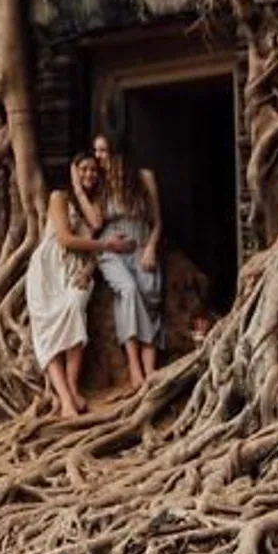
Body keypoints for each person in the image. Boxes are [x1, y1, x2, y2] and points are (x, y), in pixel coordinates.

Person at [25, 153, 135, 420]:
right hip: (48, 271)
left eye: (93, 171)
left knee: (75, 311)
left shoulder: (95, 205)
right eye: (83, 169)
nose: (89, 174)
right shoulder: (58, 197)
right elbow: (65, 239)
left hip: (78, 270)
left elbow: (96, 226)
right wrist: (107, 245)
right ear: (73, 170)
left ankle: (72, 388)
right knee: (47, 333)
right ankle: (66, 400)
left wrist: (89, 269)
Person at [89, 132, 165, 388]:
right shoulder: (99, 183)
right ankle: (134, 366)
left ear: (116, 151)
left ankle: (150, 368)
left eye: (102, 151)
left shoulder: (144, 178)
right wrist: (78, 188)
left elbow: (157, 222)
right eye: (96, 151)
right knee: (128, 291)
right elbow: (96, 223)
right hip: (112, 250)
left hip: (141, 245)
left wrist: (151, 248)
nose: (97, 157)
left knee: (149, 295)